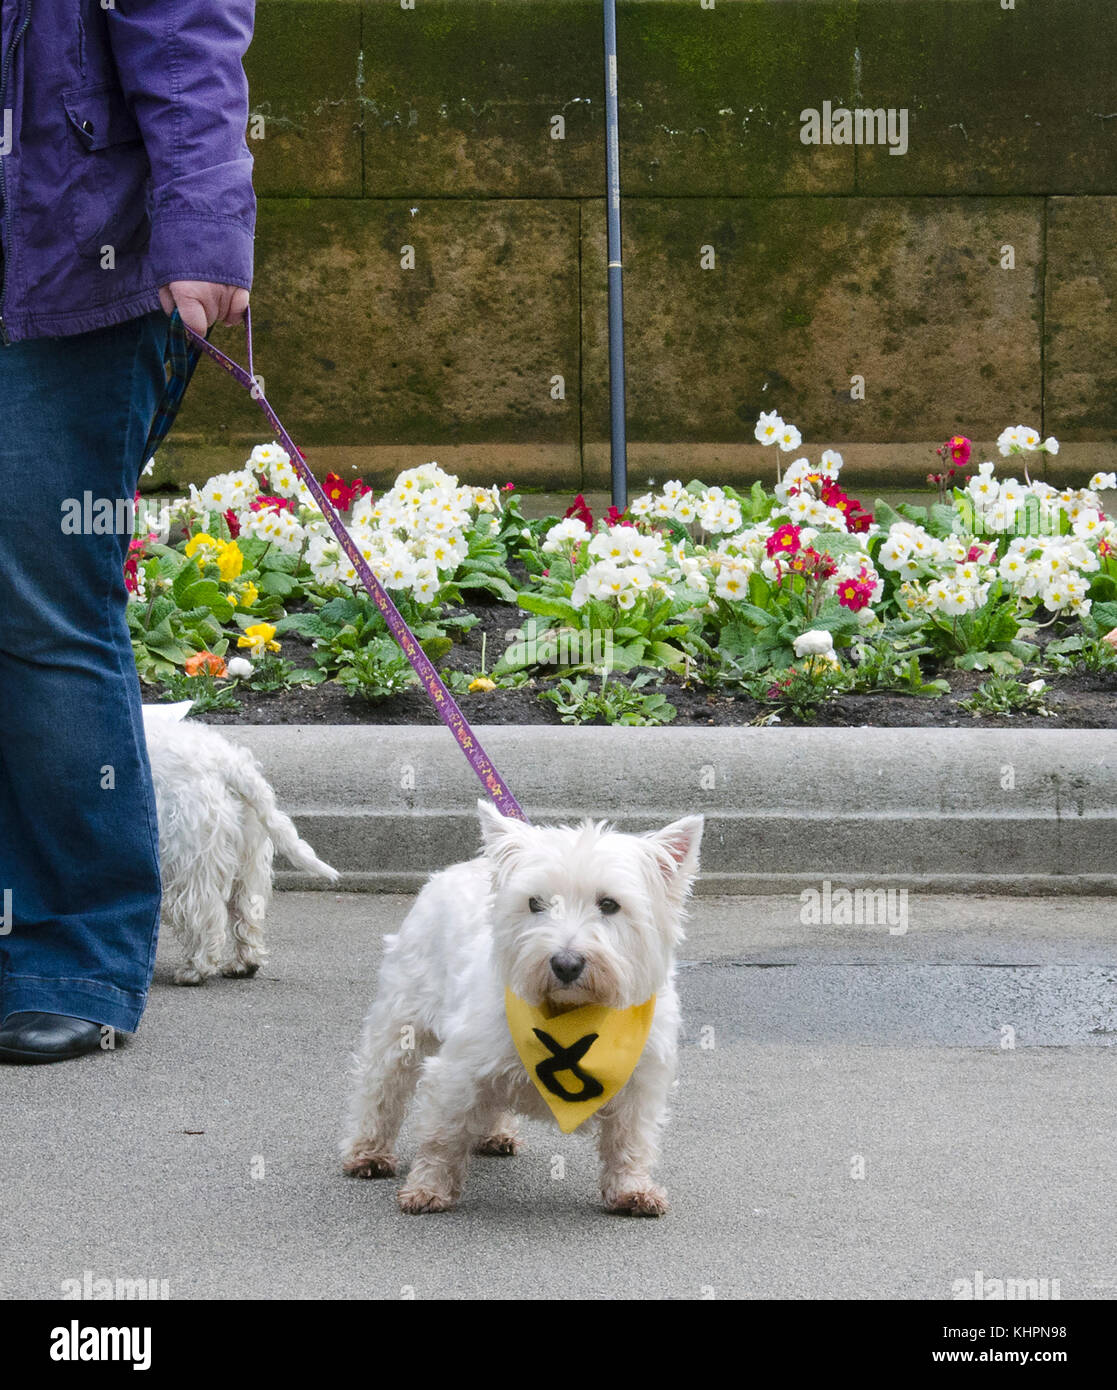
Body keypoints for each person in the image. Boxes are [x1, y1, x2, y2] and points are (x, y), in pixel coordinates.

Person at [0, 0, 257, 1062]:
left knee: (43, 601)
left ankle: (72, 955)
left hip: (73, 268)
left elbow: (188, 31)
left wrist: (202, 229)